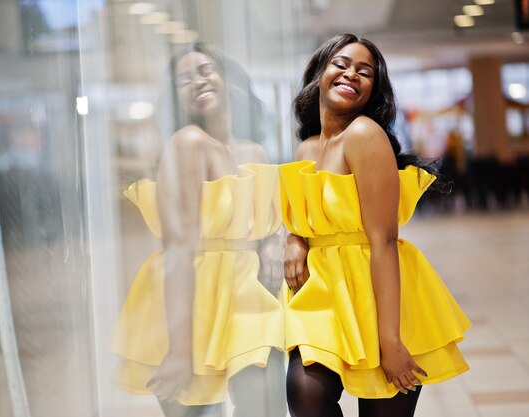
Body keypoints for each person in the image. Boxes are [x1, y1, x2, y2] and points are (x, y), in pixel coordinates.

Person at [280, 33, 471, 417]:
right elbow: (310, 218)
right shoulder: (307, 148)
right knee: (306, 400)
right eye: (341, 63)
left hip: (378, 294)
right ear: (319, 73)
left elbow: (383, 241)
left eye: (365, 71)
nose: (351, 74)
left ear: (373, 90)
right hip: (325, 296)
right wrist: (295, 240)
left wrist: (392, 341)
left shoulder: (364, 135)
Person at [111, 43, 287, 417]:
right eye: (183, 79)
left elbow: (265, 221)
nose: (197, 82)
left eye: (205, 70)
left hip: (245, 295)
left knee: (265, 404)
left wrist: (272, 244)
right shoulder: (187, 143)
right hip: (193, 301)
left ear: (226, 79)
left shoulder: (254, 152)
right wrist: (178, 350)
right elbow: (178, 248)